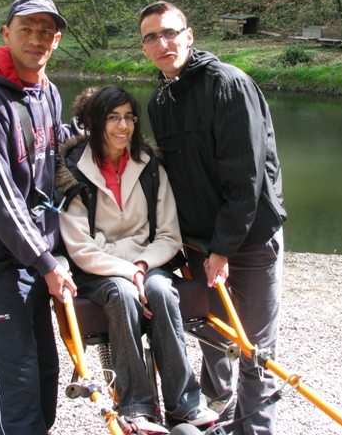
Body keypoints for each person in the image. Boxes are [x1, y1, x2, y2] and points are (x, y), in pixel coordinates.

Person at [139, 1, 287, 435]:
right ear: (144, 48)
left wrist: (223, 248)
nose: (162, 43)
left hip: (250, 237)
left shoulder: (228, 84)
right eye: (151, 37)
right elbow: (174, 181)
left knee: (255, 345)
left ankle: (254, 429)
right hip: (199, 243)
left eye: (170, 32)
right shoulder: (160, 101)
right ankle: (213, 406)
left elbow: (247, 178)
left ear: (189, 35)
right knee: (214, 331)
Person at [56, 85, 218, 428]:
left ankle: (185, 404)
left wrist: (142, 266)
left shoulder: (150, 165)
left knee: (160, 291)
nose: (122, 127)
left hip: (150, 261)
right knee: (123, 292)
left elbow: (170, 234)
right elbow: (80, 247)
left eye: (129, 117)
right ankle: (136, 407)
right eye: (112, 118)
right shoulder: (72, 171)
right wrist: (129, 274)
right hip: (99, 269)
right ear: (94, 122)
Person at [0, 0, 77, 435]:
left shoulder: (48, 93)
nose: (37, 38)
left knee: (46, 367)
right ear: (6, 33)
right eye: (26, 28)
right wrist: (46, 263)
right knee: (17, 378)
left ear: (57, 40)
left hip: (38, 257)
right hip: (0, 264)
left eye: (46, 30)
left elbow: (53, 145)